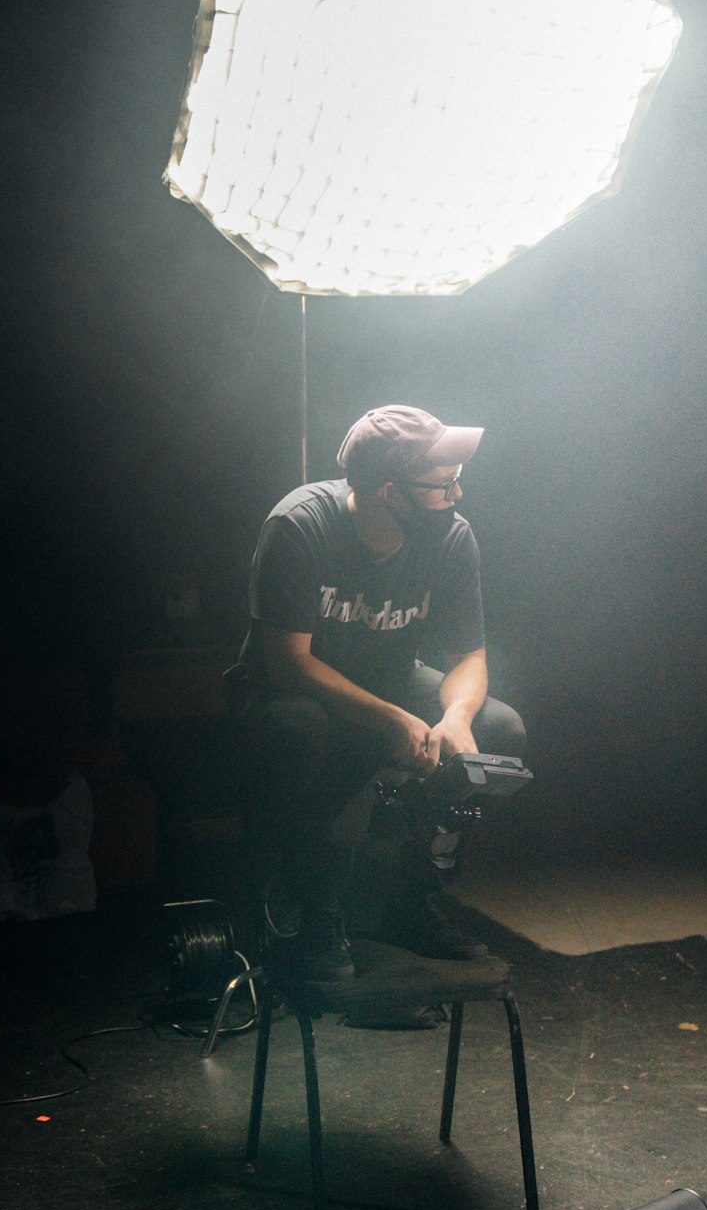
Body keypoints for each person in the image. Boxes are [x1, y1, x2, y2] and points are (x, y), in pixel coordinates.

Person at [224, 405, 526, 984]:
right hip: (284, 689)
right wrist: (389, 718)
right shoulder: (300, 526)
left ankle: (410, 903)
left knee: (499, 730)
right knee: (312, 728)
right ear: (391, 491)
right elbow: (286, 659)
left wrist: (457, 717)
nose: (458, 494)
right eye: (443, 485)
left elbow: (469, 656)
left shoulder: (451, 538)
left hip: (385, 677)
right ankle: (317, 916)